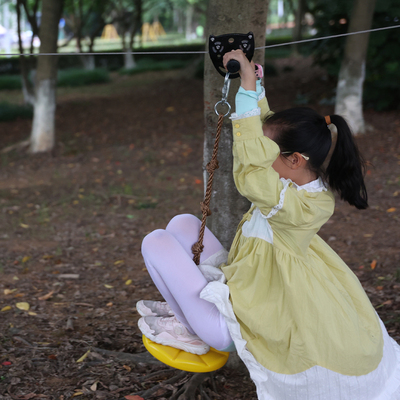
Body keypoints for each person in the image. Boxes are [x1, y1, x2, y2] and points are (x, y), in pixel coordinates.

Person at [137, 49, 400, 399]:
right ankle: (190, 316)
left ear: (293, 160)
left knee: (155, 242)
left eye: (267, 150)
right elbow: (265, 134)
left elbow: (250, 171)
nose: (259, 152)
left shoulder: (306, 205)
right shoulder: (293, 176)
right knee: (184, 224)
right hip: (247, 288)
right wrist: (253, 88)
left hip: (247, 324)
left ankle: (190, 329)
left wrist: (245, 94)